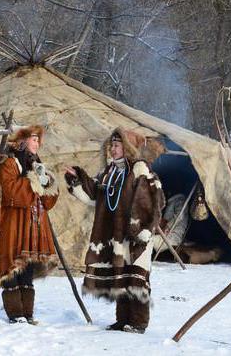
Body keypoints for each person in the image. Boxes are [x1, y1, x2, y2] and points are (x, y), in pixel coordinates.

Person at [64, 128, 165, 333]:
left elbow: (153, 200)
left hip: (136, 235)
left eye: (117, 145)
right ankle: (122, 319)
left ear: (127, 148)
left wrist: (142, 228)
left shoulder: (139, 169)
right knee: (121, 275)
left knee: (136, 277)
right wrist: (77, 179)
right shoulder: (110, 172)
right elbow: (95, 194)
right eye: (111, 145)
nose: (112, 149)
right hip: (116, 235)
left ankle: (138, 321)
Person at [0, 125, 59, 324]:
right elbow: (11, 193)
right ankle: (15, 313)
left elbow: (48, 202)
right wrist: (32, 181)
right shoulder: (9, 163)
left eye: (38, 140)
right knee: (13, 265)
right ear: (22, 141)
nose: (37, 143)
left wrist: (47, 182)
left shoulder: (37, 164)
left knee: (28, 267)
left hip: (34, 225)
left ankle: (27, 313)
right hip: (14, 223)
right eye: (34, 139)